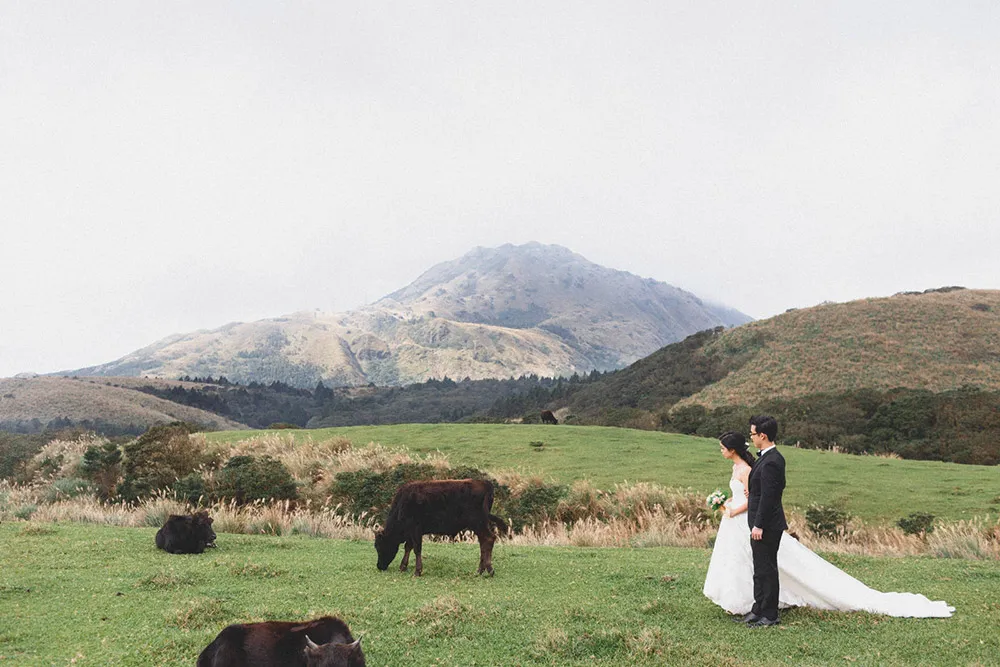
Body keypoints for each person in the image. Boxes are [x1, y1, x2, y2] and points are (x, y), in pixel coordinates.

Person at [703, 422, 955, 621]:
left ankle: (768, 613)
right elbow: (758, 491)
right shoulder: (761, 459)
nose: (752, 437)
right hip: (753, 520)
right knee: (760, 569)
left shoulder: (772, 460)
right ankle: (758, 609)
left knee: (768, 569)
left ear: (764, 435)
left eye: (754, 433)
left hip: (763, 523)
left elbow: (769, 497)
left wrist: (754, 520)